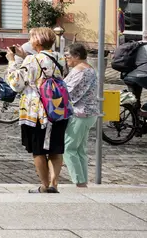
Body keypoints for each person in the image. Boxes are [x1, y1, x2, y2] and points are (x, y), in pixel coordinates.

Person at [5, 27, 66, 194]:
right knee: (55, 148)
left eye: (31, 38)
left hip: (36, 111)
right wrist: (24, 57)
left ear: (37, 41)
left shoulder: (31, 60)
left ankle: (44, 186)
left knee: (38, 150)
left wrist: (12, 61)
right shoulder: (60, 57)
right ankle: (54, 184)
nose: (29, 41)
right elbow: (45, 66)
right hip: (57, 108)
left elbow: (16, 84)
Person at [63, 43, 100, 188]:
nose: (66, 58)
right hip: (88, 113)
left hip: (80, 113)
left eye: (68, 56)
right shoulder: (88, 69)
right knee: (79, 149)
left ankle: (79, 181)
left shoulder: (81, 71)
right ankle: (82, 181)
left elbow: (70, 92)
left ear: (77, 56)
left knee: (69, 148)